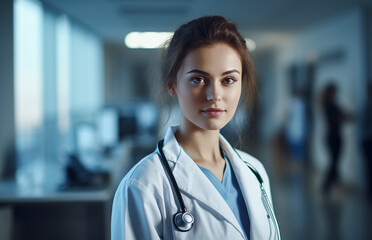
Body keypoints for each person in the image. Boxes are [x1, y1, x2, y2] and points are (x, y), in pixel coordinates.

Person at [111, 16, 280, 240]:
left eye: (228, 80)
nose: (215, 95)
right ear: (172, 84)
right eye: (198, 79)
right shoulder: (143, 184)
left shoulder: (255, 171)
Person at [320, 83, 352, 194]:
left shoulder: (329, 104)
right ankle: (328, 184)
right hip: (333, 136)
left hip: (332, 135)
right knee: (334, 161)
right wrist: (345, 117)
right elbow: (336, 119)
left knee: (334, 161)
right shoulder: (329, 105)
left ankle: (331, 184)